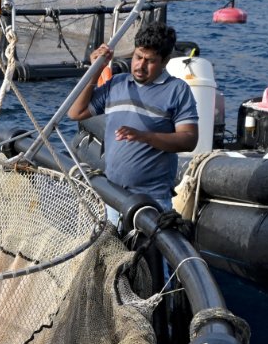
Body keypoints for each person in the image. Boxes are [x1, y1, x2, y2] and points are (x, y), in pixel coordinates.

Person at [67, 23, 199, 211]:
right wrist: (96, 69)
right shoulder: (117, 84)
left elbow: (189, 140)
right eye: (138, 57)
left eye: (150, 60)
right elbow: (75, 113)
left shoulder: (177, 90)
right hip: (113, 195)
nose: (140, 66)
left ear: (165, 61)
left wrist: (144, 136)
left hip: (152, 201)